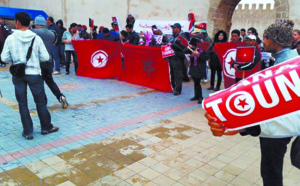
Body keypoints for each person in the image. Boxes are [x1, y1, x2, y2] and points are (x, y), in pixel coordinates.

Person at [206, 20, 299, 186]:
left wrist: (244, 124)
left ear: (275, 41)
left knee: (271, 171)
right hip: (279, 126)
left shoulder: (285, 68)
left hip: (277, 130)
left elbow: (279, 109)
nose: (263, 41)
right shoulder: (291, 60)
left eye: (266, 37)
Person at [1, 12, 59, 140]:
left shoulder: (11, 38)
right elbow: (45, 57)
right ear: (29, 23)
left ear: (17, 23)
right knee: (40, 102)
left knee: (22, 103)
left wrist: (16, 58)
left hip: (18, 74)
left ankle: (28, 132)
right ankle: (46, 127)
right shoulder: (36, 38)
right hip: (34, 74)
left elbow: (4, 58)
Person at [32, 15, 68, 109]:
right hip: (48, 60)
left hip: (37, 62)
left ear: (36, 24)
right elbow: (54, 43)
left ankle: (44, 102)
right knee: (50, 81)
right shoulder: (52, 33)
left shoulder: (33, 33)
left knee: (39, 83)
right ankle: (61, 97)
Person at [168, 23, 188, 96]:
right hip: (171, 57)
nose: (173, 29)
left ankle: (178, 90)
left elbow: (183, 47)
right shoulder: (171, 36)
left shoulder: (182, 37)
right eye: (172, 28)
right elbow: (169, 43)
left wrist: (172, 45)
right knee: (172, 74)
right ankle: (173, 87)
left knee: (178, 74)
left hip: (178, 58)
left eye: (174, 28)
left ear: (178, 29)